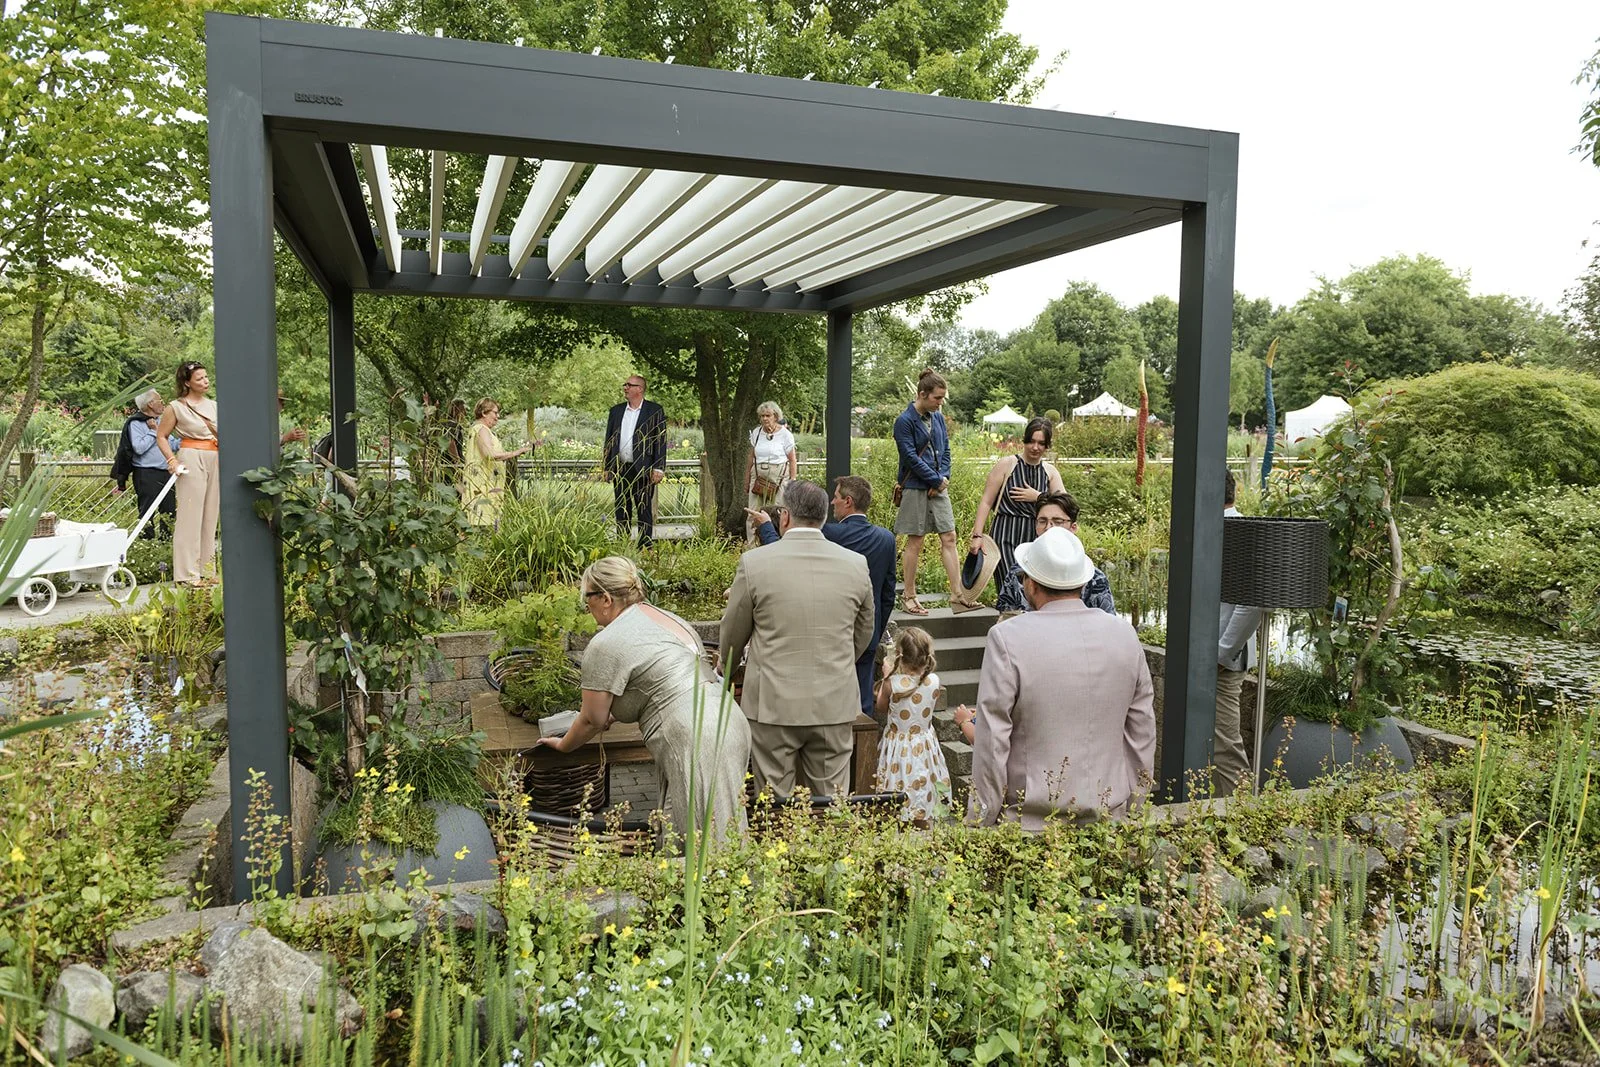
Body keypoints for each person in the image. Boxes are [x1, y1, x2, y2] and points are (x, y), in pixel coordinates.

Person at [535, 557, 752, 845]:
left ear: (606, 598)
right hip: (728, 718)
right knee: (718, 826)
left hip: (695, 735)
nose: (586, 606)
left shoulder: (606, 642)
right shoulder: (669, 618)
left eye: (586, 597)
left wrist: (564, 745)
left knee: (700, 844)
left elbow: (591, 719)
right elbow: (662, 679)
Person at [965, 527, 1156, 827]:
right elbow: (1141, 731)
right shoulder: (1124, 635)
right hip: (1110, 817)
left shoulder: (1007, 638)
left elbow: (992, 738)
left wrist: (983, 816)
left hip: (1030, 822)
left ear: (1030, 583)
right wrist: (1135, 803)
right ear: (1082, 582)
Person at [721, 480, 875, 800]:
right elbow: (863, 632)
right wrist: (839, 661)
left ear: (785, 517)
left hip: (772, 705)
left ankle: (782, 849)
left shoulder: (755, 564)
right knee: (833, 801)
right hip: (834, 702)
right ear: (822, 518)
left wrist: (728, 669)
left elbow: (733, 635)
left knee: (776, 802)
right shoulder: (856, 565)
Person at [747, 474, 898, 720]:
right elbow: (888, 593)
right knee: (862, 704)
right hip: (868, 632)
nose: (832, 503)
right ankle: (862, 755)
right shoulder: (886, 539)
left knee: (827, 704)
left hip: (830, 631)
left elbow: (786, 556)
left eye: (836, 498)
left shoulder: (828, 533)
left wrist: (766, 527)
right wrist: (875, 630)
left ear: (848, 501)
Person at [893, 369, 968, 615]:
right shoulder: (904, 421)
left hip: (938, 485)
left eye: (942, 398)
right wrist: (935, 480)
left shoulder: (937, 417)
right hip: (915, 486)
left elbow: (945, 449)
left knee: (949, 537)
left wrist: (943, 478)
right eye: (937, 398)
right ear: (922, 394)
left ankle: (958, 595)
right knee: (916, 540)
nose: (941, 402)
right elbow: (910, 458)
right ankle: (909, 596)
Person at [969, 416, 1065, 597]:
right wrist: (977, 536)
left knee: (1033, 590)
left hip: (1035, 537)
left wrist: (1038, 497)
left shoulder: (1049, 472)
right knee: (1010, 586)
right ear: (1025, 440)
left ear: (1047, 446)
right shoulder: (1007, 465)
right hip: (1005, 533)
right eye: (1032, 441)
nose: (1035, 447)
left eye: (1041, 444)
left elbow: (1065, 505)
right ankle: (1008, 621)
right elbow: (986, 501)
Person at [1215, 470, 1265, 798]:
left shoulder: (1239, 533)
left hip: (1222, 662)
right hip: (1212, 655)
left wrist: (1220, 651)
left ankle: (1242, 817)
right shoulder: (1220, 528)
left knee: (1225, 747)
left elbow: (1252, 603)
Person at [873, 626, 952, 823]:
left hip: (898, 743)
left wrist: (886, 676)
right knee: (923, 776)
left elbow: (881, 707)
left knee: (899, 777)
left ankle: (898, 815)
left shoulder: (893, 683)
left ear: (899, 655)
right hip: (925, 742)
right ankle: (923, 814)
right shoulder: (933, 680)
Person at [994, 491, 1115, 617]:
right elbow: (1006, 617)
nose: (1048, 527)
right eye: (1042, 521)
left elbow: (1107, 625)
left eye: (1057, 521)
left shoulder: (1093, 578)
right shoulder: (1018, 572)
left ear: (1073, 528)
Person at [155, 362, 220, 585]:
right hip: (191, 455)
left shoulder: (214, 405)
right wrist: (171, 459)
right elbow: (161, 435)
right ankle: (186, 574)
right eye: (199, 378)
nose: (205, 381)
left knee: (211, 515)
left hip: (215, 456)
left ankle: (208, 570)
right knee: (190, 516)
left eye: (206, 377)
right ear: (187, 383)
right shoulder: (176, 407)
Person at [603, 374, 667, 547]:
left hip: (644, 468)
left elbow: (660, 441)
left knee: (644, 509)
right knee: (622, 509)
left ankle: (645, 547)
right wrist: (608, 466)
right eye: (625, 385)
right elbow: (609, 440)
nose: (625, 387)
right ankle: (622, 545)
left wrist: (659, 468)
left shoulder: (654, 410)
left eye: (629, 385)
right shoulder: (616, 411)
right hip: (620, 468)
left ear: (640, 389)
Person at [114, 389, 178, 538]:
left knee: (169, 511)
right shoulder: (136, 423)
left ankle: (166, 543)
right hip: (146, 473)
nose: (163, 404)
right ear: (150, 404)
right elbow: (139, 448)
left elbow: (172, 444)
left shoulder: (161, 421)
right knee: (147, 511)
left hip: (166, 472)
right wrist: (154, 431)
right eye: (160, 400)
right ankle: (147, 543)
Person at [459, 398, 529, 527]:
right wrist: (516, 452)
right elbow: (489, 455)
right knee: (483, 525)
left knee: (480, 524)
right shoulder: (482, 429)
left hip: (484, 484)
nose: (498, 417)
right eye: (495, 413)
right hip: (483, 486)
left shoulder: (478, 429)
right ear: (484, 413)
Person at [743, 401, 797, 543]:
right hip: (758, 475)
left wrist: (792, 480)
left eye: (768, 415)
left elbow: (792, 459)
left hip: (779, 476)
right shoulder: (756, 432)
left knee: (778, 511)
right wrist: (747, 479)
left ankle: (777, 543)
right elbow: (751, 457)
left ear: (775, 416)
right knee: (753, 512)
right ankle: (752, 545)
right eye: (762, 416)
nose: (765, 419)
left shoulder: (785, 434)